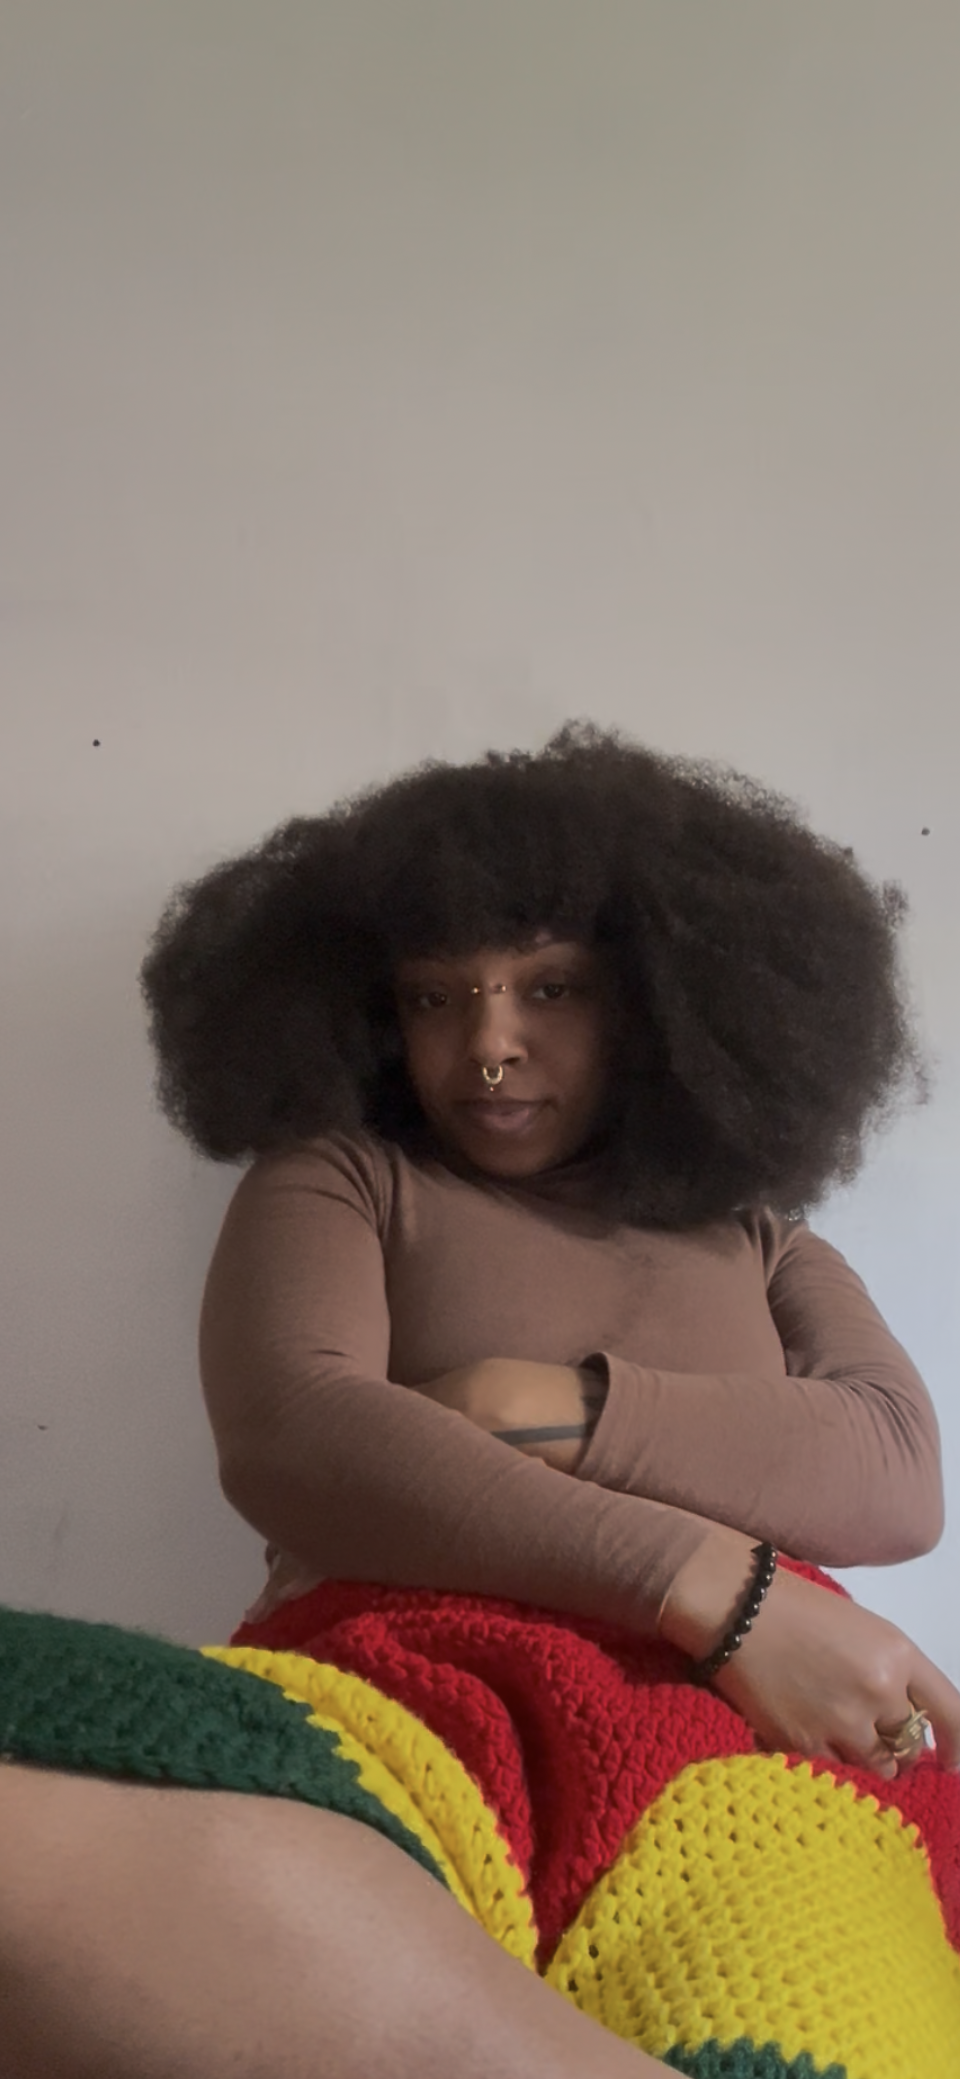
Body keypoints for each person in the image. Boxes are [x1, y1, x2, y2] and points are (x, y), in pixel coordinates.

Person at [2, 721, 958, 2078]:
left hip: (753, 1740)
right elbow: (293, 1433)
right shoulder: (342, 1177)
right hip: (409, 1687)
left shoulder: (759, 1239)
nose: (490, 1044)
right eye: (435, 998)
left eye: (549, 987)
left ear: (654, 1001)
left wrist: (539, 1403)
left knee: (802, 2014)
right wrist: (714, 1585)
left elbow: (896, 1472)